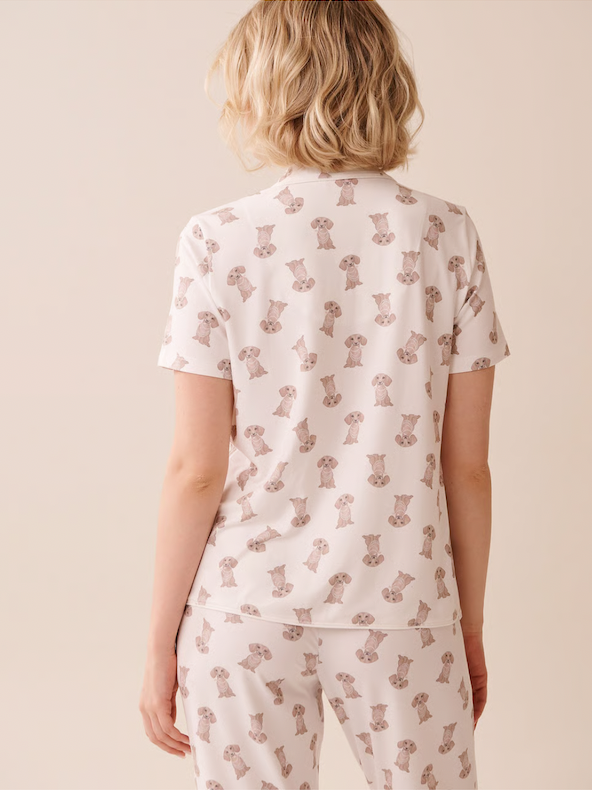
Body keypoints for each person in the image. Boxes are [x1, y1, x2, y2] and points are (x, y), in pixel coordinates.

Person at [139, 2, 511, 788]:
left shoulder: (215, 239)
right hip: (405, 609)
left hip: (244, 608)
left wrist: (159, 642)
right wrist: (467, 626)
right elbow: (468, 469)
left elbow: (196, 471)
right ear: (385, 81)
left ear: (261, 89)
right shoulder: (445, 233)